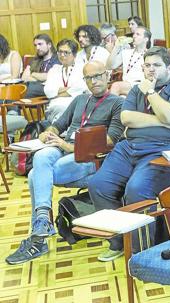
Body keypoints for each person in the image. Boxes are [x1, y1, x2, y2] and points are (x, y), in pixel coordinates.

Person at [88, 47, 170, 261]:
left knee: (137, 189)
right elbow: (127, 118)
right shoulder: (136, 89)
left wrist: (151, 93)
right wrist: (164, 121)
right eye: (147, 65)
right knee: (98, 185)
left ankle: (142, 252)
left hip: (164, 149)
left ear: (169, 67)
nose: (151, 70)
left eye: (157, 65)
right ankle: (119, 241)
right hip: (129, 147)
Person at [5, 61, 124, 265]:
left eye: (98, 76)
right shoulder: (79, 100)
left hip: (89, 158)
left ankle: (40, 234)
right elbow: (58, 125)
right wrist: (47, 134)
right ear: (84, 81)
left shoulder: (117, 103)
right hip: (62, 151)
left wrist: (68, 146)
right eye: (89, 78)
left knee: (35, 175)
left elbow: (110, 141)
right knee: (42, 157)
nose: (94, 81)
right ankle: (43, 221)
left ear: (107, 76)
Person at [44, 39, 88, 122]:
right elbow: (48, 91)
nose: (62, 55)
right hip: (55, 106)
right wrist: (70, 89)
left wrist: (56, 93)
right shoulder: (54, 69)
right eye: (60, 52)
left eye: (66, 52)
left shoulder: (82, 68)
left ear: (74, 55)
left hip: (76, 103)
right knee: (58, 110)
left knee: (66, 110)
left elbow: (81, 88)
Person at [107, 26, 151, 95]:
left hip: (141, 85)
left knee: (116, 86)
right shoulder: (126, 52)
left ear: (146, 39)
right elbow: (110, 66)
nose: (134, 36)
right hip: (126, 84)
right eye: (134, 34)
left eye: (138, 34)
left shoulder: (150, 54)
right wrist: (116, 47)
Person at [21, 34, 60, 98]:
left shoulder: (57, 58)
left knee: (26, 90)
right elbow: (24, 77)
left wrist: (32, 74)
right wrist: (41, 78)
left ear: (49, 45)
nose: (37, 48)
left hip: (48, 88)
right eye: (35, 45)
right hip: (33, 88)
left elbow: (50, 76)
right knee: (19, 89)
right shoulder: (35, 60)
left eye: (40, 44)